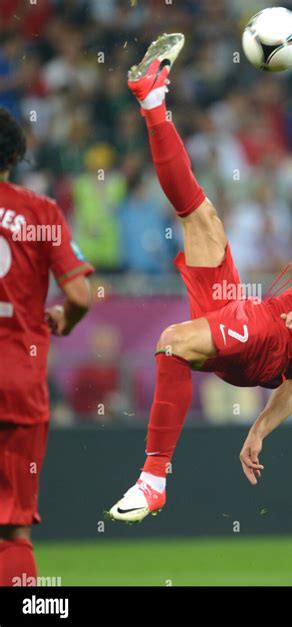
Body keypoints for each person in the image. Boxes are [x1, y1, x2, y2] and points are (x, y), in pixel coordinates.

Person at [108, 34, 292, 523]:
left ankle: (154, 480)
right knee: (201, 217)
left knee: (172, 340)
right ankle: (153, 101)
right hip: (257, 327)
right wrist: (260, 428)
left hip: (267, 335)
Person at [0, 107, 93, 585]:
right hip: (17, 382)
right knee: (13, 529)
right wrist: (66, 319)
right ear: (15, 155)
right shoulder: (40, 212)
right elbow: (79, 294)